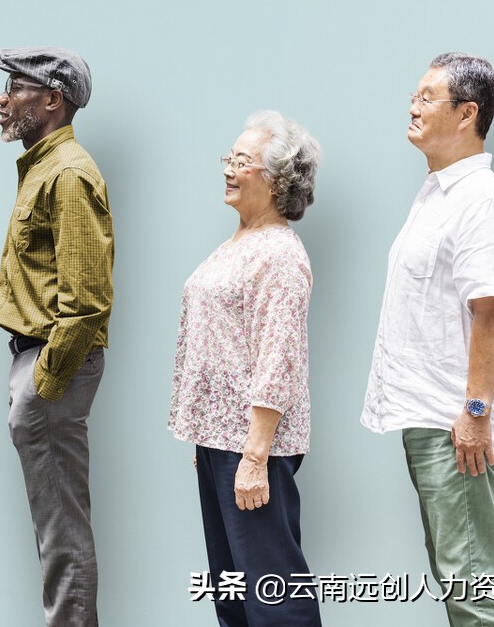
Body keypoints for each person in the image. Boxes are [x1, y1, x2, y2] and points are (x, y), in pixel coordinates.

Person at [361, 53, 494, 625]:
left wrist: (476, 413)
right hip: (430, 415)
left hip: (457, 425)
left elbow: (489, 312)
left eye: (427, 97)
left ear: (467, 113)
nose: (413, 106)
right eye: (415, 96)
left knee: (472, 584)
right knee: (456, 573)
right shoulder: (439, 193)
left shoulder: (479, 200)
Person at [168, 110, 322, 627]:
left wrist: (254, 456)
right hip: (221, 441)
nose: (228, 169)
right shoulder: (239, 243)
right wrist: (206, 436)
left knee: (272, 592)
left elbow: (278, 357)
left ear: (276, 180)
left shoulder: (279, 255)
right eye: (228, 159)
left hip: (252, 445)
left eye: (242, 161)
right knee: (233, 592)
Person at [0, 46, 114, 627]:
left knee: (61, 530)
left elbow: (86, 302)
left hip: (52, 365)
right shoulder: (44, 167)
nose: (3, 100)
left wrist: (43, 382)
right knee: (54, 528)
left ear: (52, 99)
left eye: (16, 88)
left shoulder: (67, 174)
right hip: (38, 362)